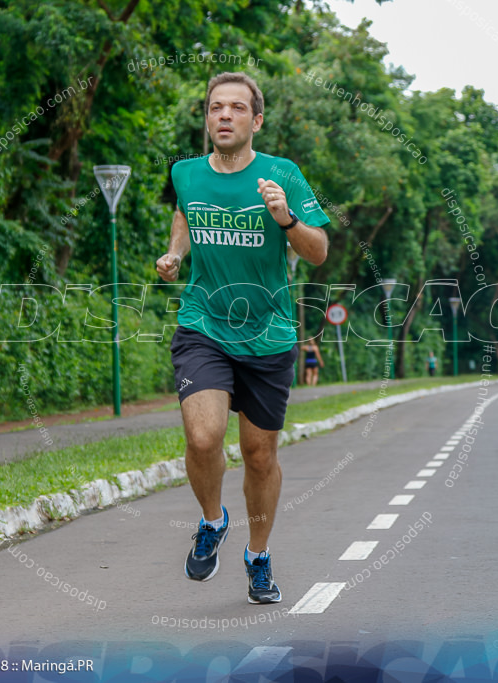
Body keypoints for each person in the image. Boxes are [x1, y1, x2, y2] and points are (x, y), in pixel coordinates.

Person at [155, 72, 330, 602]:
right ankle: (212, 521)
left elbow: (318, 250)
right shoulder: (185, 172)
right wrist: (176, 254)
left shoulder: (283, 174)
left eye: (235, 108)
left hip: (270, 334)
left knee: (258, 455)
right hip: (203, 324)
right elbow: (186, 214)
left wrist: (286, 219)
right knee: (204, 438)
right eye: (214, 107)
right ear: (206, 118)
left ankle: (258, 556)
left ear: (256, 120)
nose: (223, 115)